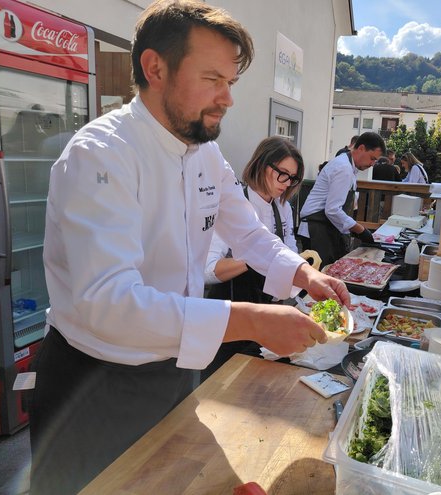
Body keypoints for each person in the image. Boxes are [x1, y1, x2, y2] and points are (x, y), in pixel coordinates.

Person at [28, 2, 349, 494]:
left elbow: (248, 232)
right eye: (213, 79)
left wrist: (304, 275)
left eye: (231, 83)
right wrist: (252, 320)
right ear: (155, 67)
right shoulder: (100, 155)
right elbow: (108, 304)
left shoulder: (205, 152)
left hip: (174, 370)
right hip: (92, 386)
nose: (227, 99)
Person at [203, 136, 303, 375]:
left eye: (293, 178)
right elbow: (207, 271)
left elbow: (289, 250)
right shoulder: (233, 204)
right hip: (231, 315)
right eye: (283, 174)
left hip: (266, 310)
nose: (287, 183)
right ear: (262, 164)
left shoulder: (283, 207)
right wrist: (257, 255)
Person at [298, 131, 385, 267]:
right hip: (316, 228)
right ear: (361, 148)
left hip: (324, 226)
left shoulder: (348, 165)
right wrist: (360, 230)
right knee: (319, 277)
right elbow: (332, 210)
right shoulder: (343, 168)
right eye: (372, 158)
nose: (373, 164)